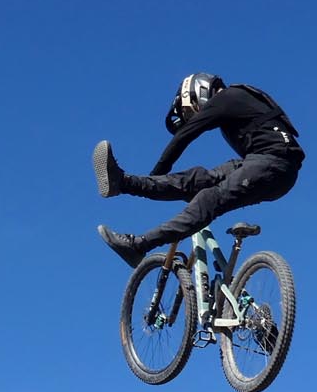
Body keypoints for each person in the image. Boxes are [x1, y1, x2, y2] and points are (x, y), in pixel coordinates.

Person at [93, 73, 305, 266]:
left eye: (191, 110)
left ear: (197, 93)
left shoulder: (226, 97)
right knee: (199, 179)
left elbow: (184, 136)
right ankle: (122, 183)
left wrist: (156, 175)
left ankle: (139, 245)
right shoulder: (239, 98)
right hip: (266, 164)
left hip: (271, 164)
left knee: (208, 199)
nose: (194, 115)